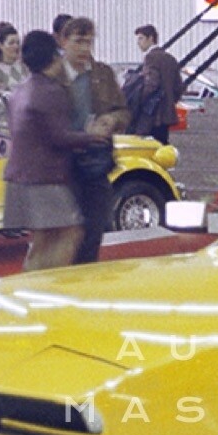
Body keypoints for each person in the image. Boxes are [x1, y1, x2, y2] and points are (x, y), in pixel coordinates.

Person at [3, 30, 108, 271]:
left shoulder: (20, 90)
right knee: (72, 231)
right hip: (44, 176)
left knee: (43, 238)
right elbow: (59, 137)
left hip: (19, 174)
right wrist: (93, 136)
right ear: (54, 57)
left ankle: (28, 283)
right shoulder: (50, 91)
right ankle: (48, 283)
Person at [60, 16, 129, 265]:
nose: (84, 48)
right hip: (63, 166)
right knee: (65, 236)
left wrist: (112, 120)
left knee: (93, 232)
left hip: (96, 164)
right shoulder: (54, 76)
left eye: (88, 42)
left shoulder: (103, 74)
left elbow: (124, 111)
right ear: (64, 42)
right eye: (78, 41)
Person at [132, 24, 183, 144]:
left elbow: (151, 84)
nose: (138, 43)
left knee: (149, 146)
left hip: (152, 113)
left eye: (141, 38)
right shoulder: (170, 58)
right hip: (167, 113)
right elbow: (179, 87)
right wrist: (170, 101)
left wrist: (138, 101)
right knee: (162, 145)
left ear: (151, 38)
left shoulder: (151, 58)